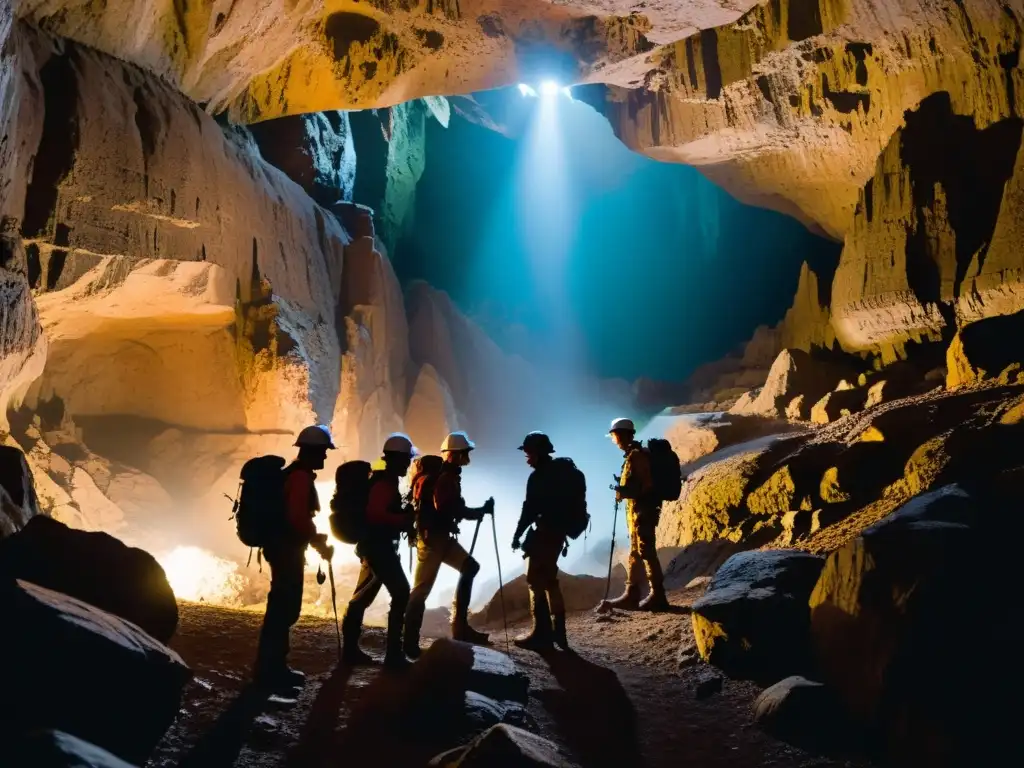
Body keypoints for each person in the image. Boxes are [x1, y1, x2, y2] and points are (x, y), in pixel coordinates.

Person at [253, 424, 335, 690]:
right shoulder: (300, 478)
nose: (325, 457)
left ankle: (273, 668)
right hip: (286, 549)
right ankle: (270, 672)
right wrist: (318, 541)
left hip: (283, 547)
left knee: (282, 608)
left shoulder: (295, 475)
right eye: (323, 452)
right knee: (283, 609)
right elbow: (297, 517)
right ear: (312, 451)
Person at [404, 432, 493, 658]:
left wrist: (473, 512)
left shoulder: (450, 476)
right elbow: (447, 509)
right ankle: (409, 642)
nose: (468, 457)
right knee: (421, 590)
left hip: (440, 538)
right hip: (432, 540)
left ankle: (459, 627)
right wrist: (477, 512)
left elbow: (450, 508)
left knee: (470, 567)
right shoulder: (445, 478)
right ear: (454, 454)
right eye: (465, 453)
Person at [341, 433, 416, 669]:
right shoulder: (384, 484)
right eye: (406, 460)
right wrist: (403, 519)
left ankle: (350, 651)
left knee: (362, 597)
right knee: (402, 592)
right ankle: (393, 654)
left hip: (374, 547)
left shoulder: (385, 481)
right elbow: (375, 514)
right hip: (378, 548)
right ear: (396, 459)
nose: (408, 464)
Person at [511, 431, 572, 651]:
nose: (526, 457)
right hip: (558, 535)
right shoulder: (561, 472)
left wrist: (518, 534)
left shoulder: (538, 477)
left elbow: (529, 509)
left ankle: (541, 633)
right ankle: (559, 633)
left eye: (528, 452)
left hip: (544, 535)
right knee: (550, 582)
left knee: (535, 582)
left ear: (537, 452)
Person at [605, 417, 670, 612]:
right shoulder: (632, 455)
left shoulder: (637, 456)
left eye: (614, 435)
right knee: (636, 551)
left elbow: (646, 486)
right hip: (637, 512)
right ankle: (631, 594)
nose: (613, 439)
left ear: (621, 435)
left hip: (644, 512)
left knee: (646, 551)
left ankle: (658, 595)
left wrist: (623, 491)